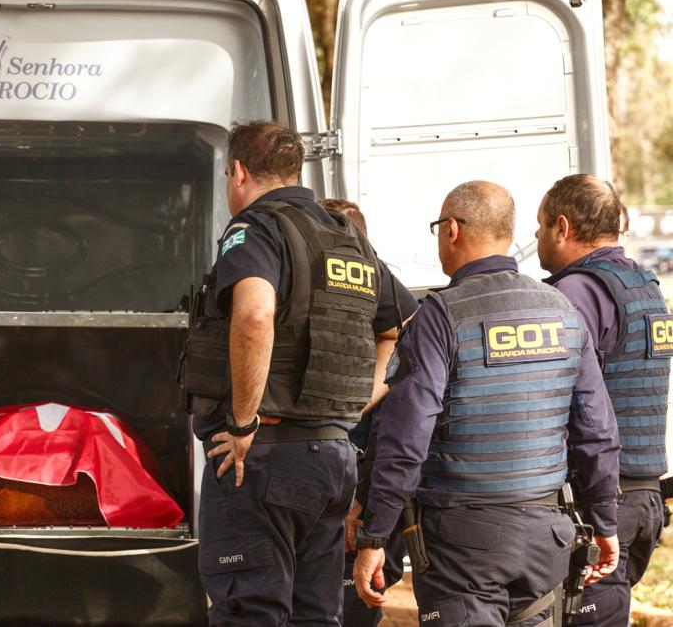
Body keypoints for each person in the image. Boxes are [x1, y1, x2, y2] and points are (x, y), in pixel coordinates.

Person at [354, 181, 621, 626]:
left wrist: (374, 535)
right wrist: (605, 521)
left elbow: (404, 439)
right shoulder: (562, 310)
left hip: (462, 545)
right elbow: (597, 431)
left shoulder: (440, 316)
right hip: (545, 537)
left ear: (453, 229)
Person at [180, 121, 416, 626]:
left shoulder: (257, 227)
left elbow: (254, 314)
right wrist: (362, 395)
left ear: (238, 172)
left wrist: (243, 423)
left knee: (251, 610)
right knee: (315, 614)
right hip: (331, 461)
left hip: (262, 456)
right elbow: (403, 323)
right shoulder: (345, 235)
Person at [537, 174, 670, 627]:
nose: (535, 237)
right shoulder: (645, 287)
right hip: (644, 497)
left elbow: (559, 401)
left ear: (562, 226)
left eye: (539, 226)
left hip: (597, 504)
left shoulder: (575, 293)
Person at [319, 198, 412, 627]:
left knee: (353, 597)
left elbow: (399, 335)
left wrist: (358, 398)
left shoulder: (379, 289)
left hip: (363, 480)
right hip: (337, 472)